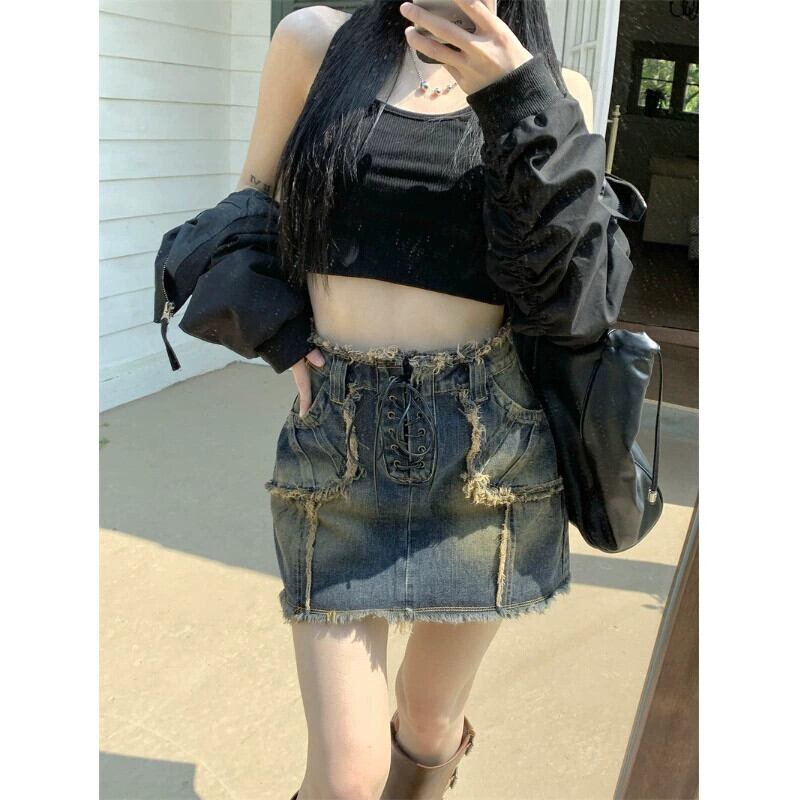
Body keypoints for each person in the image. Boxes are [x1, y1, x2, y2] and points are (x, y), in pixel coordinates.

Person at [153, 2, 640, 797]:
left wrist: (516, 98)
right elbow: (254, 197)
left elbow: (575, 298)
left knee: (428, 725)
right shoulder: (315, 43)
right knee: (349, 775)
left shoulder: (556, 88)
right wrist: (277, 330)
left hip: (490, 452)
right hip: (339, 438)